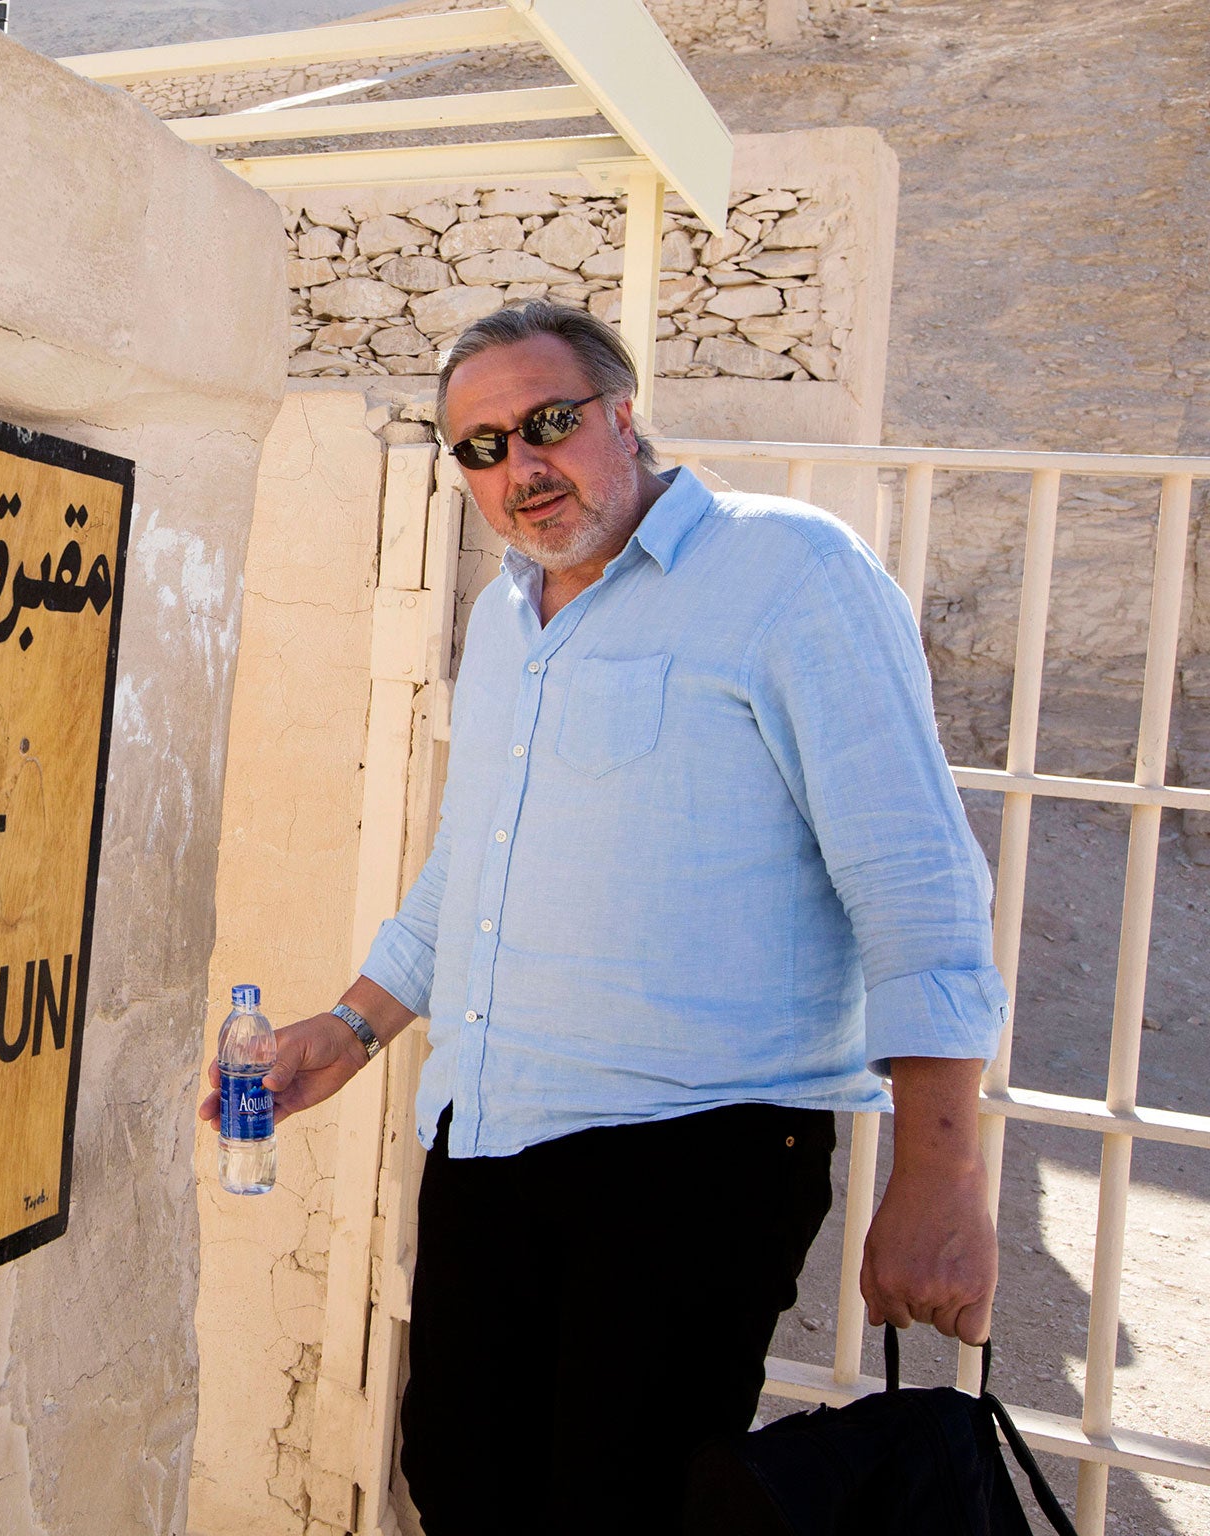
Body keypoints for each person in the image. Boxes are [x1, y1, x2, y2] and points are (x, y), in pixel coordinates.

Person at [199, 301, 1006, 1532]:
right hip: (484, 1138)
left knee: (615, 1510)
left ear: (623, 416)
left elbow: (914, 880)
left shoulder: (789, 570)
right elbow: (465, 873)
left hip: (690, 1154)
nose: (518, 469)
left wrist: (939, 1176)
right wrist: (350, 1030)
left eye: (546, 424)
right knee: (461, 1483)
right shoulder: (503, 616)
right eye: (479, 447)